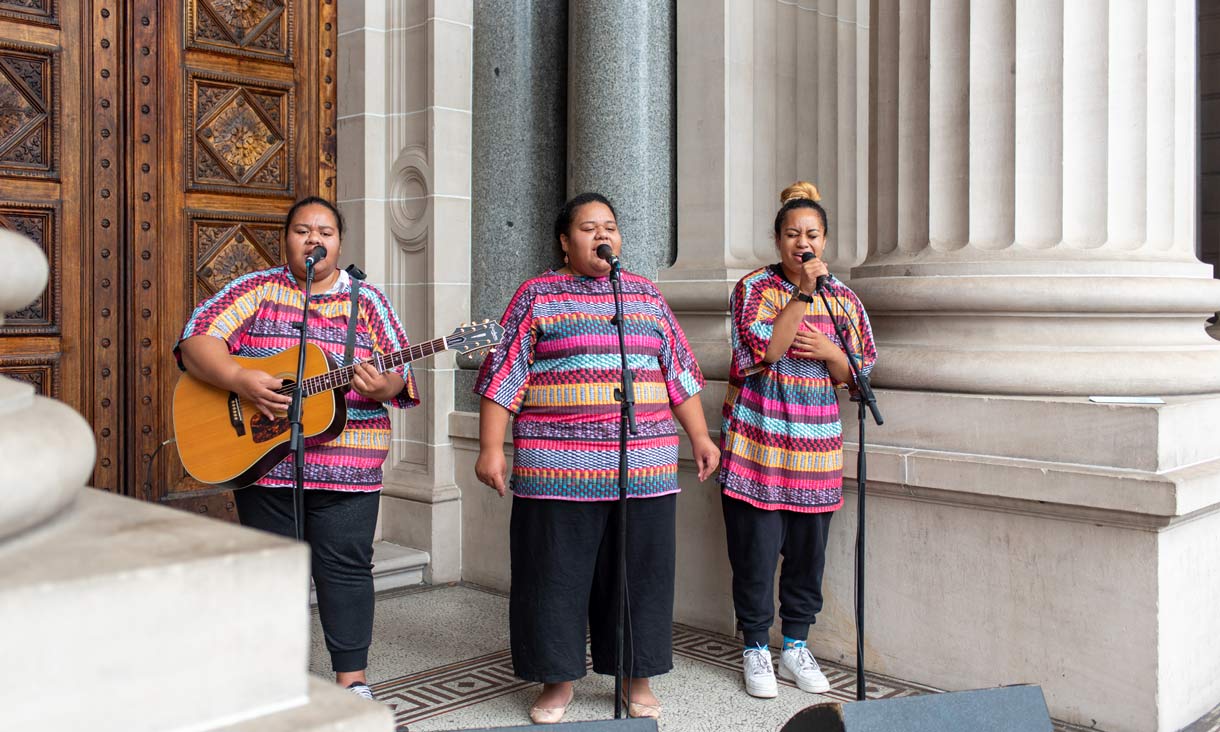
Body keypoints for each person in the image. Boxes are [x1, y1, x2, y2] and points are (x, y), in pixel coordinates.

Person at [473, 192, 720, 724]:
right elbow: (503, 375)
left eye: (610, 226)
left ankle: (637, 677)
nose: (601, 235)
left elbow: (678, 372)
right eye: (588, 227)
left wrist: (700, 437)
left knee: (640, 578)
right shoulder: (536, 295)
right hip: (557, 470)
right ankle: (557, 681)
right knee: (553, 577)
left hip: (645, 468)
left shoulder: (645, 296)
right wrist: (491, 448)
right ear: (565, 242)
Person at [176, 196, 419, 703]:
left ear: (339, 242)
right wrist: (241, 378)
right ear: (286, 239)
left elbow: (402, 376)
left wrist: (383, 386)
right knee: (273, 569)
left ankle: (352, 683)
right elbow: (197, 339)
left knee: (347, 568)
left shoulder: (368, 303)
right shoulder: (256, 291)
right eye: (303, 230)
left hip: (349, 468)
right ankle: (273, 679)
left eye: (325, 232)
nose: (315, 240)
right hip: (265, 461)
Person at [718, 182, 877, 699]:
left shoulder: (845, 301)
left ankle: (795, 646)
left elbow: (860, 373)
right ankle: (755, 649)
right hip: (758, 444)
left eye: (811, 234)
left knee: (809, 555)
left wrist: (832, 353)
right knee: (756, 553)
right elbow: (766, 352)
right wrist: (803, 295)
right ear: (778, 240)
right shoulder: (753, 290)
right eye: (792, 234)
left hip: (817, 449)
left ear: (825, 240)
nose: (801, 243)